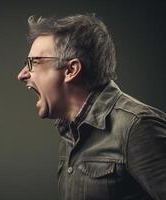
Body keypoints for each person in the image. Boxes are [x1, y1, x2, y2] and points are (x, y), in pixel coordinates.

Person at [17, 14, 166, 200]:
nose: (22, 74)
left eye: (33, 63)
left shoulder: (137, 127)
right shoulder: (70, 132)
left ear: (71, 70)